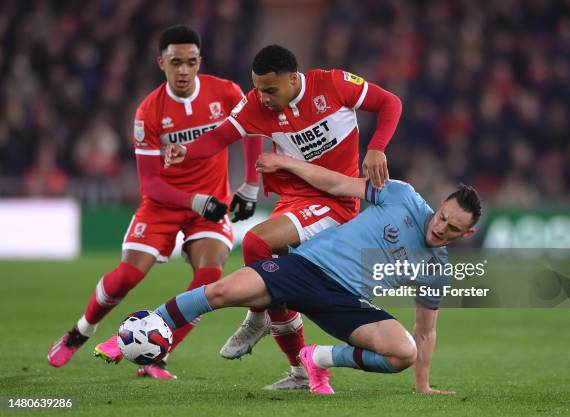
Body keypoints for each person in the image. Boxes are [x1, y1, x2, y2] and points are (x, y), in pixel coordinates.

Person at [163, 44, 402, 389]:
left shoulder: (332, 84)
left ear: (294, 79)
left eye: (270, 90)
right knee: (263, 257)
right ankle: (299, 369)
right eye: (258, 88)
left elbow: (389, 102)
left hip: (335, 200)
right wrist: (186, 150)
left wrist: (377, 146)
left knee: (258, 242)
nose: (263, 97)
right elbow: (220, 136)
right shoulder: (256, 103)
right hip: (295, 198)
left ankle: (260, 316)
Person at [148, 152, 481, 394]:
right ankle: (147, 325)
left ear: (466, 235)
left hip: (345, 302)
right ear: (439, 206)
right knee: (220, 293)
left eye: (453, 228)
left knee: (403, 353)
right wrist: (287, 163)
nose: (441, 228)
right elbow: (337, 184)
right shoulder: (402, 196)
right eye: (442, 218)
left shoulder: (436, 268)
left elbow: (425, 332)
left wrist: (422, 387)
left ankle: (317, 357)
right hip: (305, 268)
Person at [47, 24, 263, 379]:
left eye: (190, 62)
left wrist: (251, 185)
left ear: (199, 62)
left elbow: (251, 128)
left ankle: (155, 357)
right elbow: (150, 183)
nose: (183, 70)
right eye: (175, 62)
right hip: (164, 205)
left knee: (209, 276)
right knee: (126, 277)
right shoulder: (148, 112)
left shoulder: (225, 93)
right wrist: (194, 202)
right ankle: (80, 331)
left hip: (209, 206)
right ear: (160, 62)